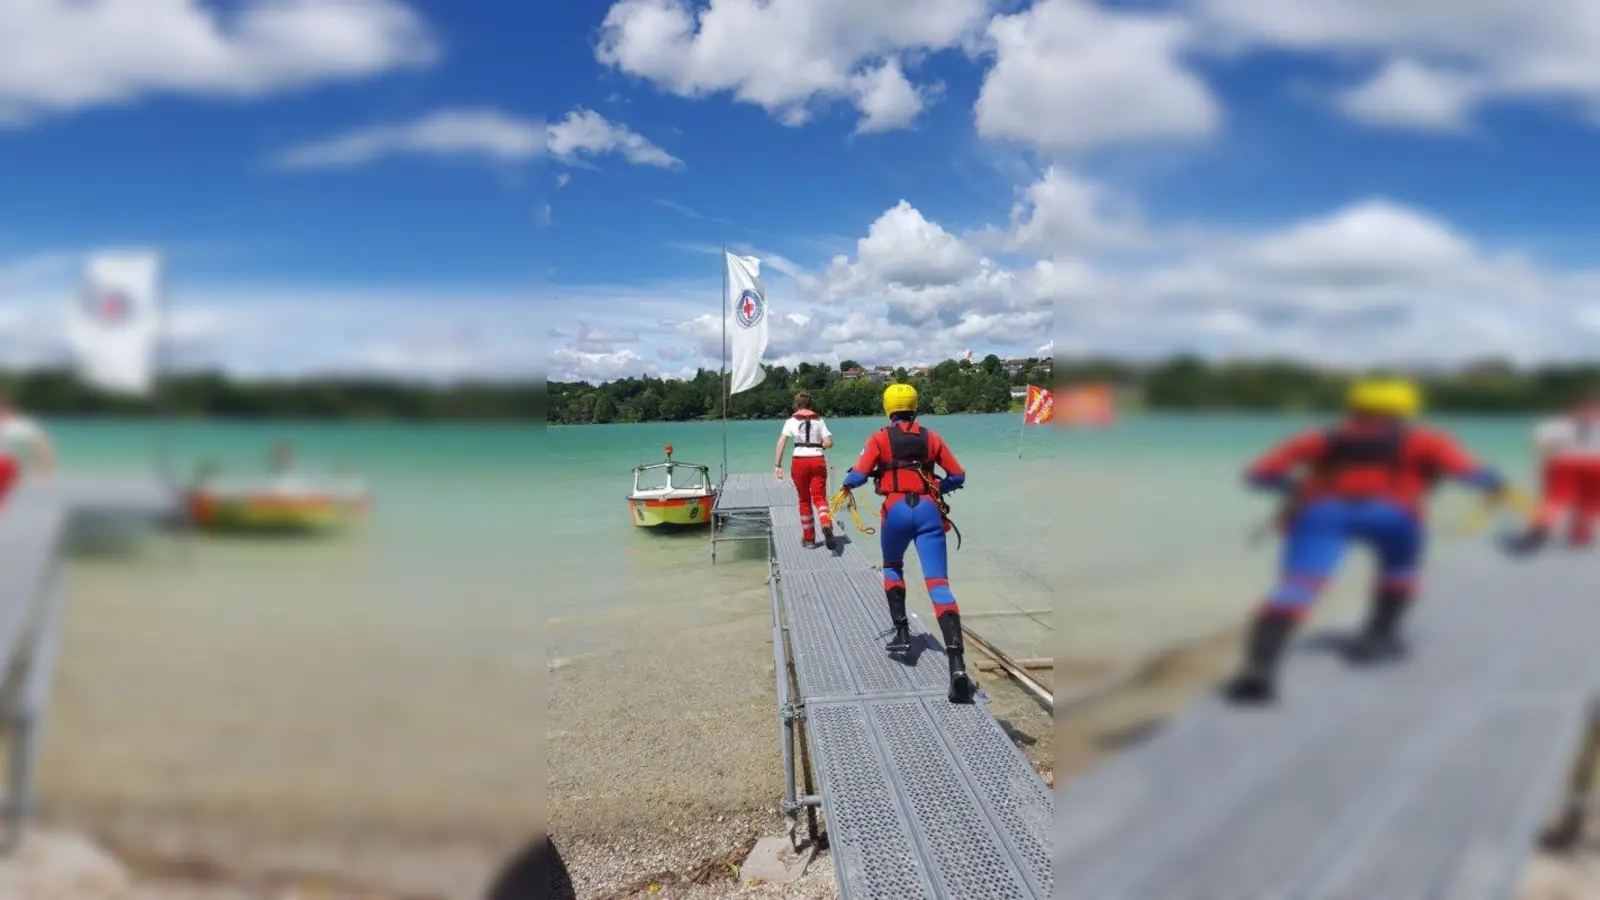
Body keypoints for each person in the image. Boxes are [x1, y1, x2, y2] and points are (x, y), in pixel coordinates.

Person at [1223, 377, 1509, 704]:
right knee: (1399, 573)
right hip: (1396, 515)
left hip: (1322, 514)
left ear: (1355, 406)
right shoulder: (1427, 440)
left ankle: (1259, 671)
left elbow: (1258, 476)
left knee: (1298, 588)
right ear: (1407, 409)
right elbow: (1476, 476)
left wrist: (1294, 489)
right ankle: (1378, 641)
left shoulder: (1316, 438)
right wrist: (1496, 486)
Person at [839, 383, 974, 703]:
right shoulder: (932, 437)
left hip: (896, 511)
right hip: (928, 512)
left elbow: (858, 475)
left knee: (892, 567)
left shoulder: (879, 438)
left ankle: (901, 634)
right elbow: (958, 475)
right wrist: (939, 486)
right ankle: (957, 668)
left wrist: (847, 480)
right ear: (914, 407)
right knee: (939, 585)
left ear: (888, 408)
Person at [1508, 401, 1600, 552]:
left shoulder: (1558, 425)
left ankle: (1536, 536)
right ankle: (1580, 537)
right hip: (1596, 463)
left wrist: (1546, 464)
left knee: (1555, 501)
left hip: (1565, 462)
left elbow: (1540, 445)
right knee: (1591, 503)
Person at [774, 393, 836, 549]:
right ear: (810, 404)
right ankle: (825, 523)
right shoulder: (819, 420)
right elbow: (829, 443)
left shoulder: (790, 421)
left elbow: (781, 441)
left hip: (799, 462)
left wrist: (778, 465)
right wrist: (818, 446)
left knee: (804, 499)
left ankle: (809, 539)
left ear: (796, 405)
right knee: (820, 497)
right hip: (817, 461)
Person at [0, 389, 56, 509]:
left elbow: (40, 444)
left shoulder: (14, 424)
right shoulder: (16, 423)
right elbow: (40, 444)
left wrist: (46, 466)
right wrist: (46, 467)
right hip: (8, 465)